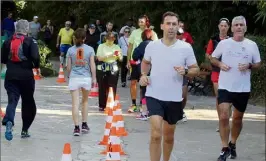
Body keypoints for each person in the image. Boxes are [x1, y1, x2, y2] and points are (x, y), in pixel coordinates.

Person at [140, 11, 199, 161]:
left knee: (168, 136)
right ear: (162, 26)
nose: (171, 27)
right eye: (168, 24)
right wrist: (143, 75)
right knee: (155, 134)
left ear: (178, 27)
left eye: (174, 24)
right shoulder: (152, 46)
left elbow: (195, 69)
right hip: (154, 94)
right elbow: (145, 63)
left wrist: (185, 71)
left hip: (173, 98)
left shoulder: (185, 48)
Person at [210, 16, 261, 161]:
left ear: (245, 28)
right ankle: (224, 148)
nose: (239, 27)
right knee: (224, 115)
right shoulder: (224, 44)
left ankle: (233, 143)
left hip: (243, 88)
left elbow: (258, 64)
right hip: (225, 86)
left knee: (237, 119)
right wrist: (220, 65)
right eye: (236, 25)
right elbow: (213, 58)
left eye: (241, 25)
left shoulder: (252, 45)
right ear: (231, 28)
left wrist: (249, 65)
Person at [1, 20, 40, 141]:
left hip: (11, 75)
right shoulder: (30, 41)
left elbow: (3, 59)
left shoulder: (8, 41)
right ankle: (24, 130)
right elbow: (35, 57)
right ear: (26, 29)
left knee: (12, 101)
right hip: (26, 77)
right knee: (28, 103)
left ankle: (9, 121)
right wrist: (36, 66)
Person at [66, 28, 96, 136]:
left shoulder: (70, 50)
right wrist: (94, 78)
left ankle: (76, 128)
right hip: (86, 78)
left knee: (75, 104)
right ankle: (84, 124)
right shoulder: (90, 49)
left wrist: (69, 75)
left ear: (74, 38)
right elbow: (92, 65)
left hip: (74, 78)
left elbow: (68, 67)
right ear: (85, 38)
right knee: (85, 101)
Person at [127, 15, 158, 113]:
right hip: (135, 62)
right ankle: (133, 104)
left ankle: (142, 104)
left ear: (146, 22)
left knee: (144, 84)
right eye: (139, 21)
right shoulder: (135, 32)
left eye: (142, 22)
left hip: (147, 63)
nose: (140, 23)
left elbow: (157, 47)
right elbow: (130, 47)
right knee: (133, 82)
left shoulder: (152, 32)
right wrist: (128, 60)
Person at [206, 18, 230, 132]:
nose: (223, 27)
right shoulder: (213, 40)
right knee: (219, 96)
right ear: (219, 27)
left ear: (228, 27)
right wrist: (212, 59)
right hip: (216, 71)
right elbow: (208, 54)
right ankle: (221, 121)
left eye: (225, 26)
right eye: (222, 25)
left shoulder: (232, 40)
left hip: (229, 71)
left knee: (229, 98)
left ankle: (226, 119)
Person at [96, 32, 122, 111]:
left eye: (112, 39)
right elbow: (99, 58)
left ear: (114, 39)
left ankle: (111, 103)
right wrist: (110, 55)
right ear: (105, 39)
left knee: (112, 87)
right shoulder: (101, 46)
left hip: (113, 68)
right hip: (102, 68)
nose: (110, 41)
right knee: (102, 87)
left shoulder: (117, 46)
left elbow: (121, 59)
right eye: (108, 39)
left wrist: (118, 56)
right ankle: (102, 105)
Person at [132, 28, 153, 121]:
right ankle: (152, 111)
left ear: (143, 36)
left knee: (144, 91)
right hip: (155, 70)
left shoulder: (142, 44)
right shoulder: (156, 44)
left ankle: (144, 112)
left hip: (145, 71)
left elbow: (135, 56)